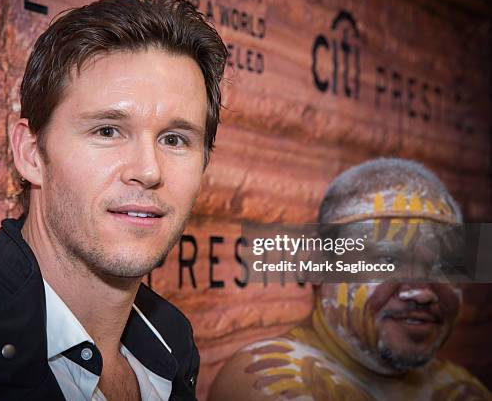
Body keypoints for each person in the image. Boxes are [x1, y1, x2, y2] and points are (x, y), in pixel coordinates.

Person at [0, 0, 227, 401]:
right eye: (108, 131)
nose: (148, 170)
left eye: (174, 139)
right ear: (30, 154)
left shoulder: (174, 348)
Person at [210, 158, 491, 400]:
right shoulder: (271, 379)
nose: (422, 293)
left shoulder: (459, 387)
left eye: (443, 266)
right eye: (387, 260)